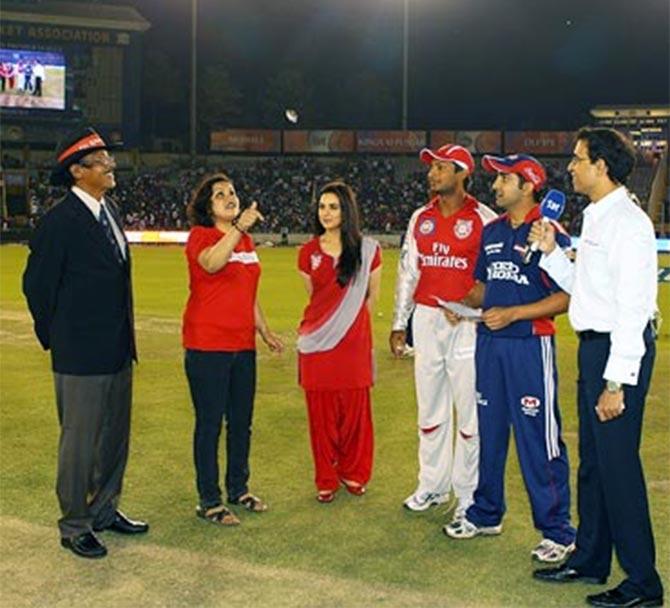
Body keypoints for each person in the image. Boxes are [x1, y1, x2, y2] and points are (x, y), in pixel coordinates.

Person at [532, 128, 663, 607]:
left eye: (578, 158)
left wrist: (615, 381)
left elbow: (633, 308)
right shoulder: (597, 217)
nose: (570, 166)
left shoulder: (628, 223)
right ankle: (590, 558)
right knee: (593, 465)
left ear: (601, 166)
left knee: (618, 467)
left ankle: (643, 583)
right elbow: (588, 293)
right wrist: (551, 253)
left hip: (617, 352)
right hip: (594, 346)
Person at [443, 154, 576, 563]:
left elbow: (568, 297)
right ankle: (486, 513)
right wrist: (463, 303)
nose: (496, 186)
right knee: (491, 430)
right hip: (489, 343)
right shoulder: (493, 231)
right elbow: (487, 287)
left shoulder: (550, 232)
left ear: (528, 184)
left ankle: (558, 531)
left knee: (539, 437)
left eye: (504, 179)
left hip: (529, 346)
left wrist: (515, 314)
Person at [23, 127, 148, 559]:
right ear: (77, 172)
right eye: (101, 161)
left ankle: (104, 510)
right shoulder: (60, 222)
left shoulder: (109, 209)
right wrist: (57, 338)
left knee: (114, 438)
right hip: (79, 354)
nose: (111, 165)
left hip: (117, 349)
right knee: (79, 443)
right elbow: (37, 286)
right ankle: (75, 523)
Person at [390, 144, 497, 518]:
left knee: (469, 411)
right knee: (430, 407)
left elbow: (494, 274)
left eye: (440, 168)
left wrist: (473, 305)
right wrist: (399, 322)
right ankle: (432, 485)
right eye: (431, 168)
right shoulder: (420, 217)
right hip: (427, 317)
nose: (432, 174)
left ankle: (467, 494)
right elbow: (408, 271)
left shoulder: (484, 218)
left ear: (462, 172)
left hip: (465, 323)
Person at [182, 173, 284, 526]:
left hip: (242, 345)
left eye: (233, 191)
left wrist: (265, 331)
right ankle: (209, 500)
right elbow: (211, 263)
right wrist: (238, 228)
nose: (229, 197)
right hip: (207, 344)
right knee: (210, 424)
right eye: (219, 194)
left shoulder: (246, 242)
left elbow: (248, 293)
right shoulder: (201, 236)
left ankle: (238, 488)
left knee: (242, 423)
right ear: (207, 207)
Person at [297, 181, 382, 503]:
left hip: (354, 345)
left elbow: (372, 298)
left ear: (346, 211)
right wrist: (330, 329)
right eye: (322, 206)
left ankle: (354, 473)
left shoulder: (368, 251)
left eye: (333, 206)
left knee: (356, 415)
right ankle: (326, 478)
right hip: (317, 344)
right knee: (321, 416)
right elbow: (316, 299)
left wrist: (353, 329)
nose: (326, 213)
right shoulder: (307, 253)